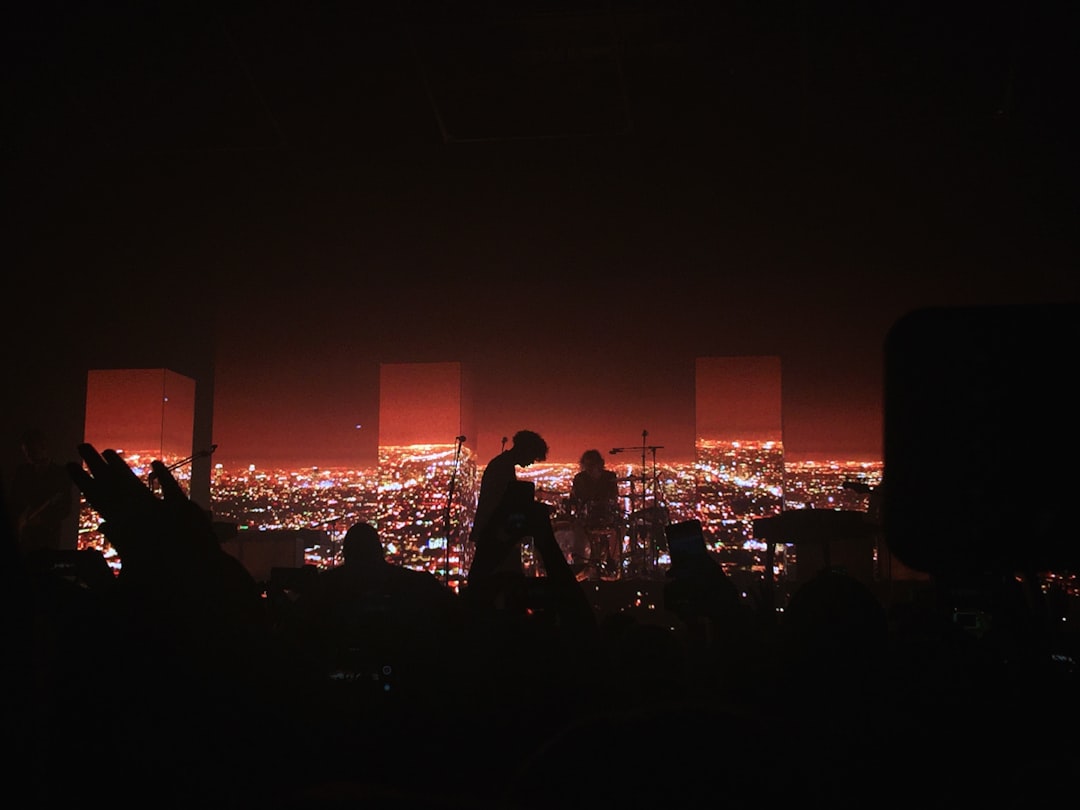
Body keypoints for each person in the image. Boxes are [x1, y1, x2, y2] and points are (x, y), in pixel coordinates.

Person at [467, 429, 548, 575]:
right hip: (494, 532)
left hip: (492, 531)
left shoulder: (501, 464)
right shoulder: (503, 467)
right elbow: (506, 503)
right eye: (532, 457)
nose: (531, 462)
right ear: (526, 450)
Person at [9, 428, 74, 558]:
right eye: (26, 452)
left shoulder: (60, 474)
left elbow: (65, 508)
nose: (28, 456)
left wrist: (42, 520)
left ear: (43, 447)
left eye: (31, 451)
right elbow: (14, 499)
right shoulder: (22, 472)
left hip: (47, 538)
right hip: (25, 535)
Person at [569, 448, 622, 576]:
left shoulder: (610, 477)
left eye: (592, 464)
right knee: (576, 530)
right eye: (587, 465)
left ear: (600, 464)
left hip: (606, 515)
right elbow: (574, 499)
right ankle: (581, 563)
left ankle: (613, 561)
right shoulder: (579, 478)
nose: (590, 468)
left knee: (619, 529)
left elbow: (613, 498)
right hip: (586, 517)